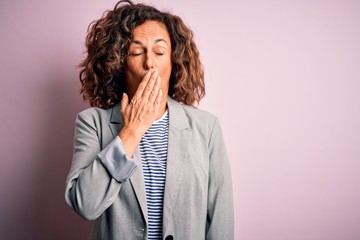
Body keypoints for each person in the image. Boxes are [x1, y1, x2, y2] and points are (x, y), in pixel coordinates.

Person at [64, 0, 234, 239]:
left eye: (160, 51)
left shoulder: (207, 127)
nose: (149, 63)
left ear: (174, 61)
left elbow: (220, 219)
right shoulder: (92, 122)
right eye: (135, 52)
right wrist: (131, 131)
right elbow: (86, 205)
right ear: (119, 63)